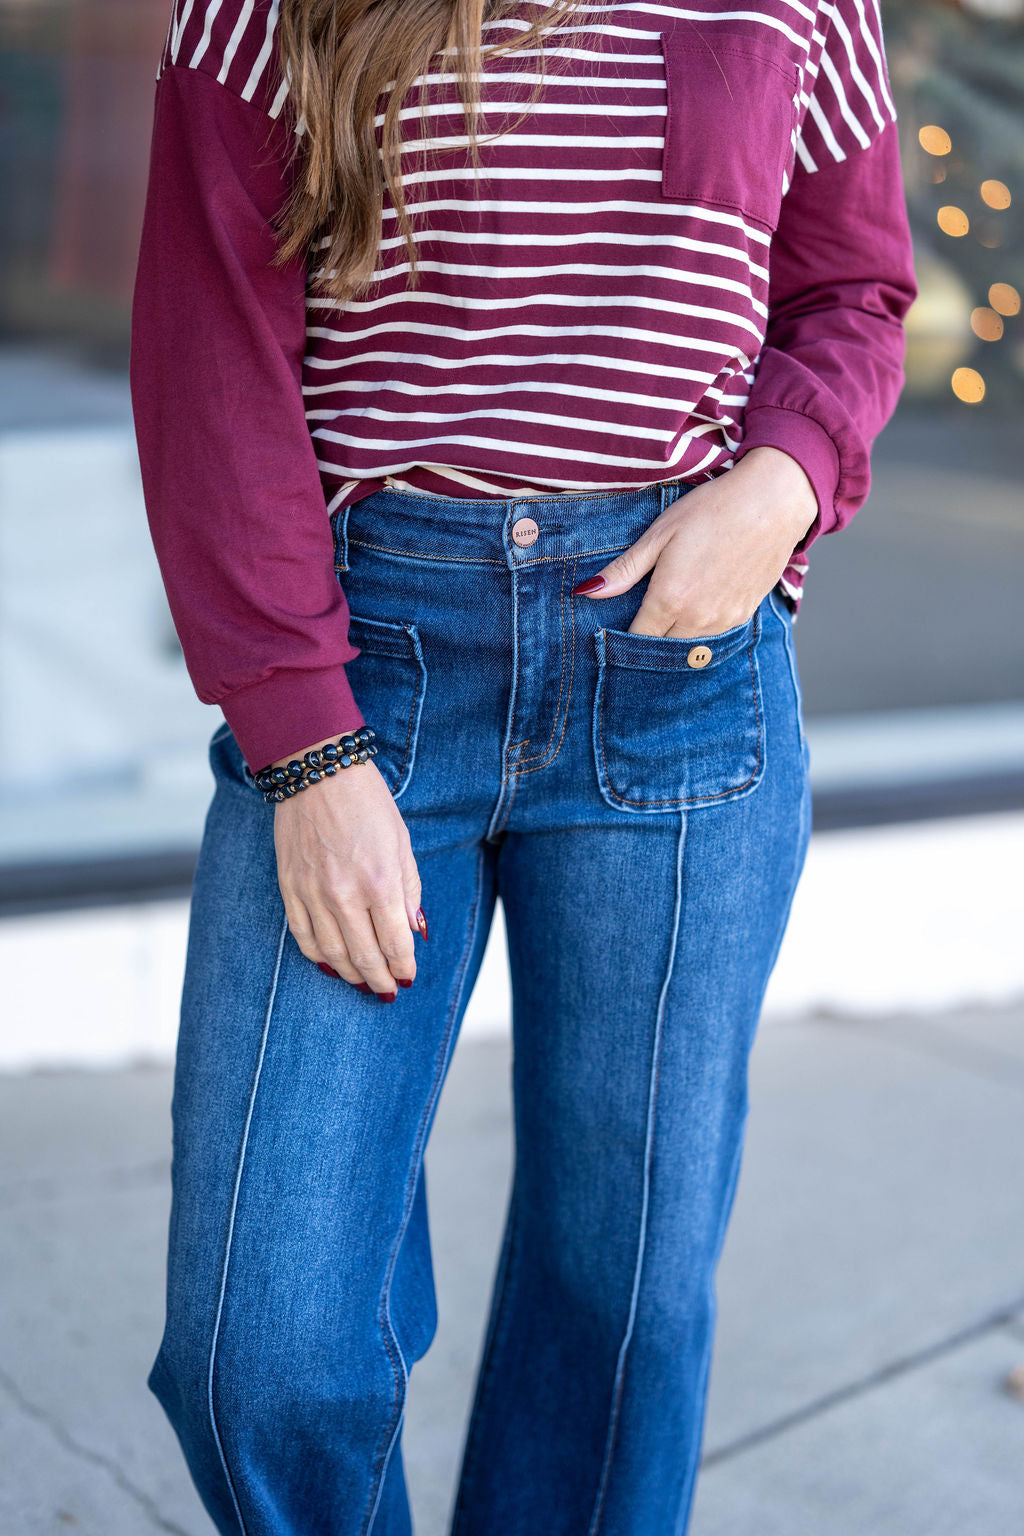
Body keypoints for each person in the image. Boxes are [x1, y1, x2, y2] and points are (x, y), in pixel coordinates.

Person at [130, 0, 917, 1531]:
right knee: (262, 1349)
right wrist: (306, 744)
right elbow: (209, 354)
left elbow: (853, 287)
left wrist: (784, 479)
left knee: (621, 1306)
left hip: (675, 667)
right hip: (368, 669)